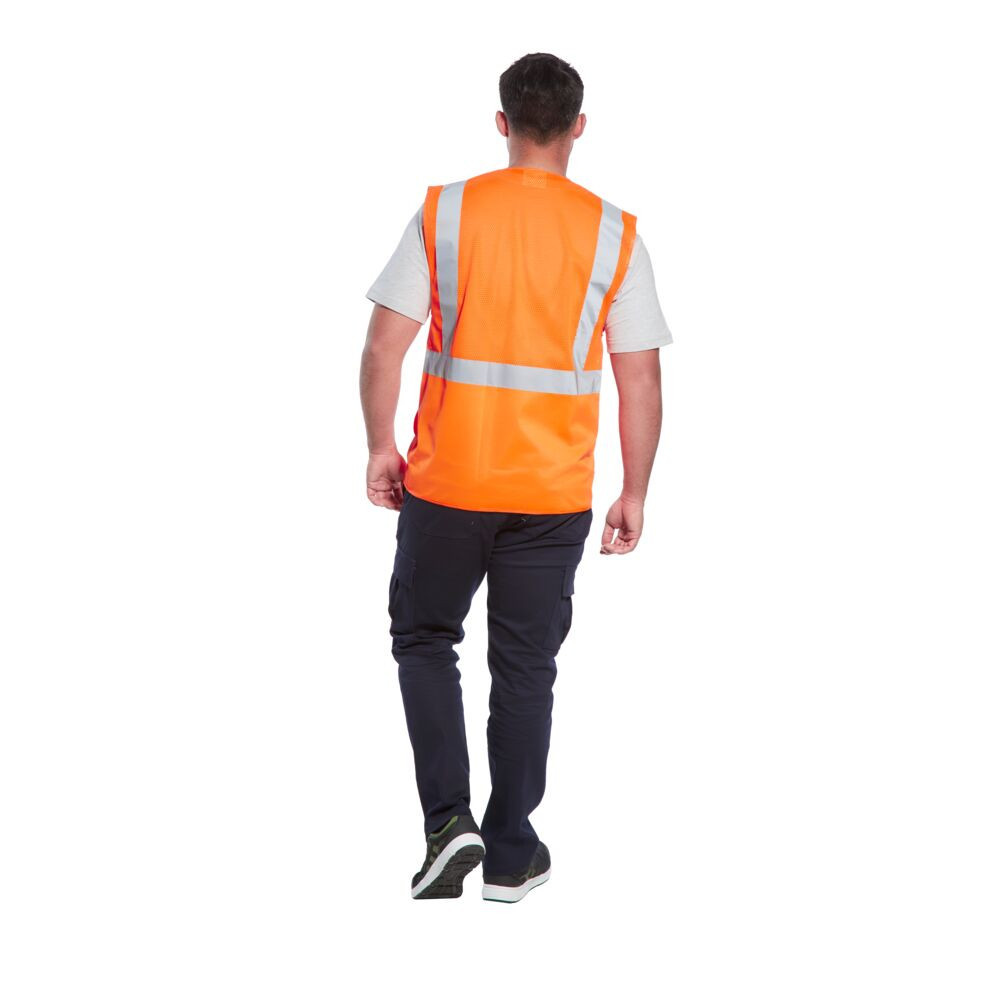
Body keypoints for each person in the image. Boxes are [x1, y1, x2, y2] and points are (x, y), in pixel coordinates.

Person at [359, 52, 672, 903]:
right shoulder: (615, 233)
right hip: (551, 496)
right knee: (526, 668)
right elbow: (640, 377)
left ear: (502, 123)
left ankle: (446, 825)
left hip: (447, 483)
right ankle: (509, 853)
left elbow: (385, 344)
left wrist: (381, 446)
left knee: (426, 640)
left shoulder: (446, 211)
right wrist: (634, 491)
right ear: (579, 127)